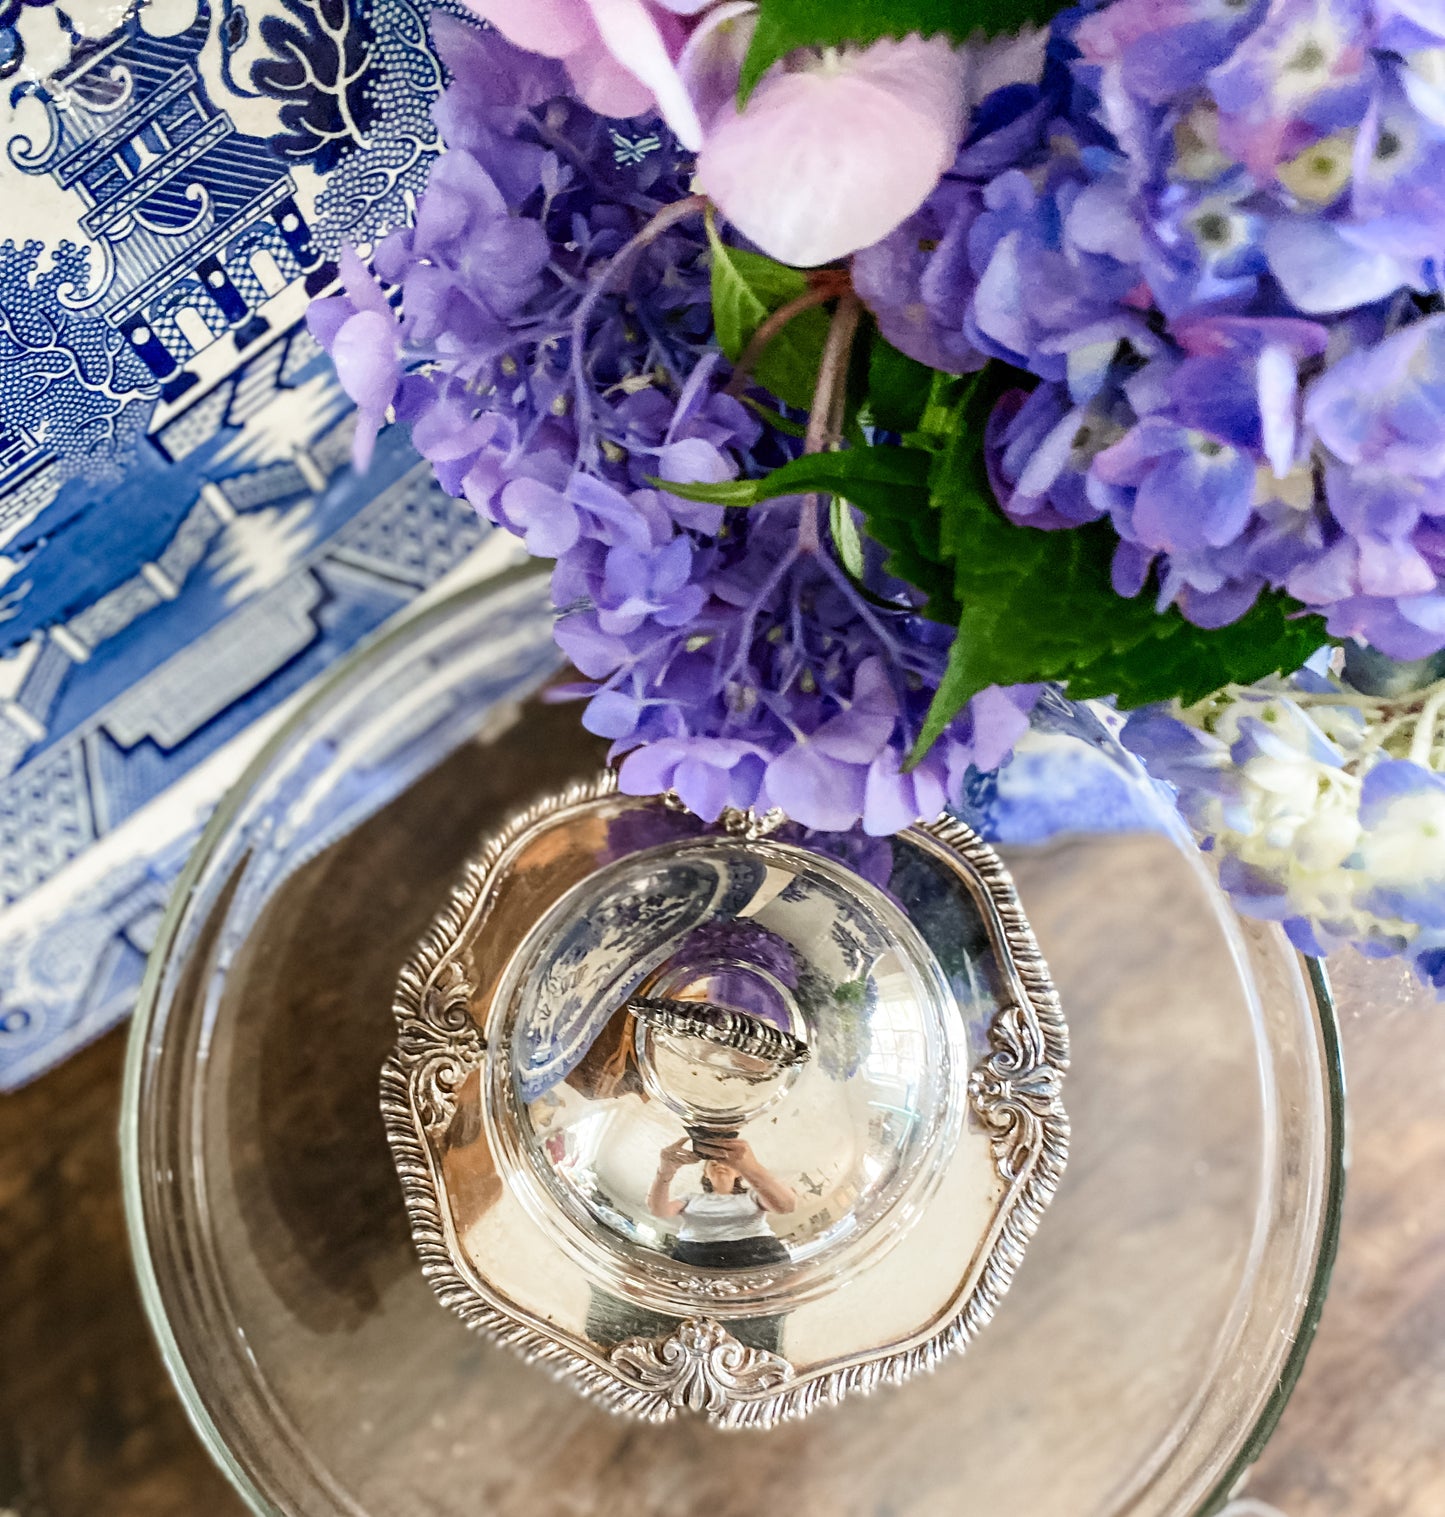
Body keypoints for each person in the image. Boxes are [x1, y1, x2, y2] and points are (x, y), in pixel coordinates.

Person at [647, 1134, 796, 1269]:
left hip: (758, 1253)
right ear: (706, 1174)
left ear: (738, 1172)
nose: (718, 1165)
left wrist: (750, 1167)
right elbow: (659, 1211)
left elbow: (786, 1206)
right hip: (693, 1256)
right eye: (712, 1164)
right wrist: (665, 1171)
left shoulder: (752, 1195)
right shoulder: (691, 1198)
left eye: (724, 1162)